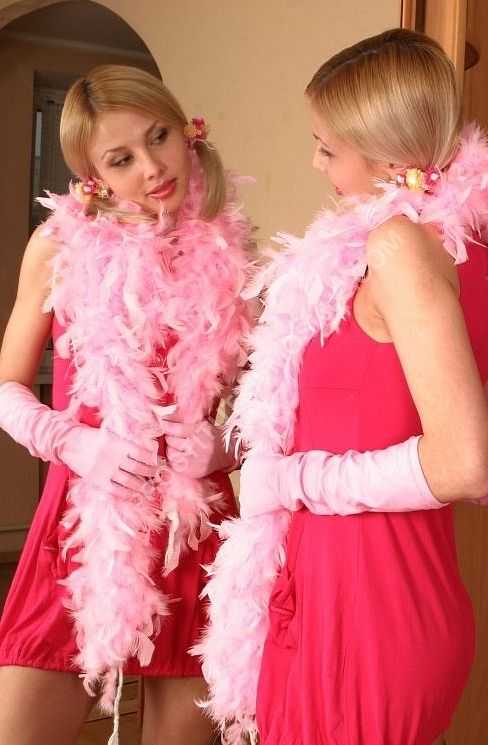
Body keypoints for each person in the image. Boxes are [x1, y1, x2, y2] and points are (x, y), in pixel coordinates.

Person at [195, 29, 488, 745]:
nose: (316, 164)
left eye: (327, 147)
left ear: (387, 155)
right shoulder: (466, 251)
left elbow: (467, 466)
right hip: (370, 596)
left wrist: (297, 479)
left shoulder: (398, 248)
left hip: (362, 616)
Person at [0, 64, 252, 745]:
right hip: (85, 525)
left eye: (158, 137)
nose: (152, 167)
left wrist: (227, 445)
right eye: (121, 159)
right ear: (94, 176)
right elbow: (6, 387)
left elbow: (275, 401)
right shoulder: (58, 247)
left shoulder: (230, 249)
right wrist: (72, 442)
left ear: (185, 130)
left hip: (193, 528)